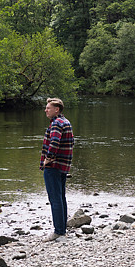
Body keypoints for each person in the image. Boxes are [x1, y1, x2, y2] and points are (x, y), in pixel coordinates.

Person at [40, 97, 74, 242]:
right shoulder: (66, 122)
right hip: (63, 166)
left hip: (53, 166)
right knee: (61, 198)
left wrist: (48, 159)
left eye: (48, 108)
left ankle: (58, 232)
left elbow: (54, 142)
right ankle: (62, 229)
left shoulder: (56, 123)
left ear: (57, 109)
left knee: (55, 199)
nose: (46, 110)